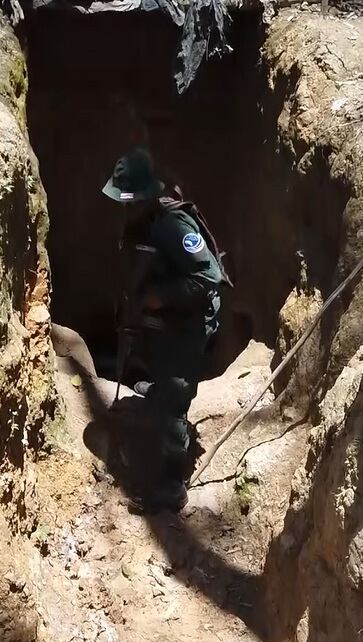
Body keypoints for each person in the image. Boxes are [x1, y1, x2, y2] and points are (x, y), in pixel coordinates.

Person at [102, 147, 225, 512]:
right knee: (161, 374)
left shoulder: (174, 226)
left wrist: (161, 297)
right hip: (167, 323)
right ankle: (160, 394)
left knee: (174, 396)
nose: (124, 207)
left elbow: (209, 277)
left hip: (190, 326)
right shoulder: (141, 223)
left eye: (129, 200)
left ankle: (171, 485)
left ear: (144, 197)